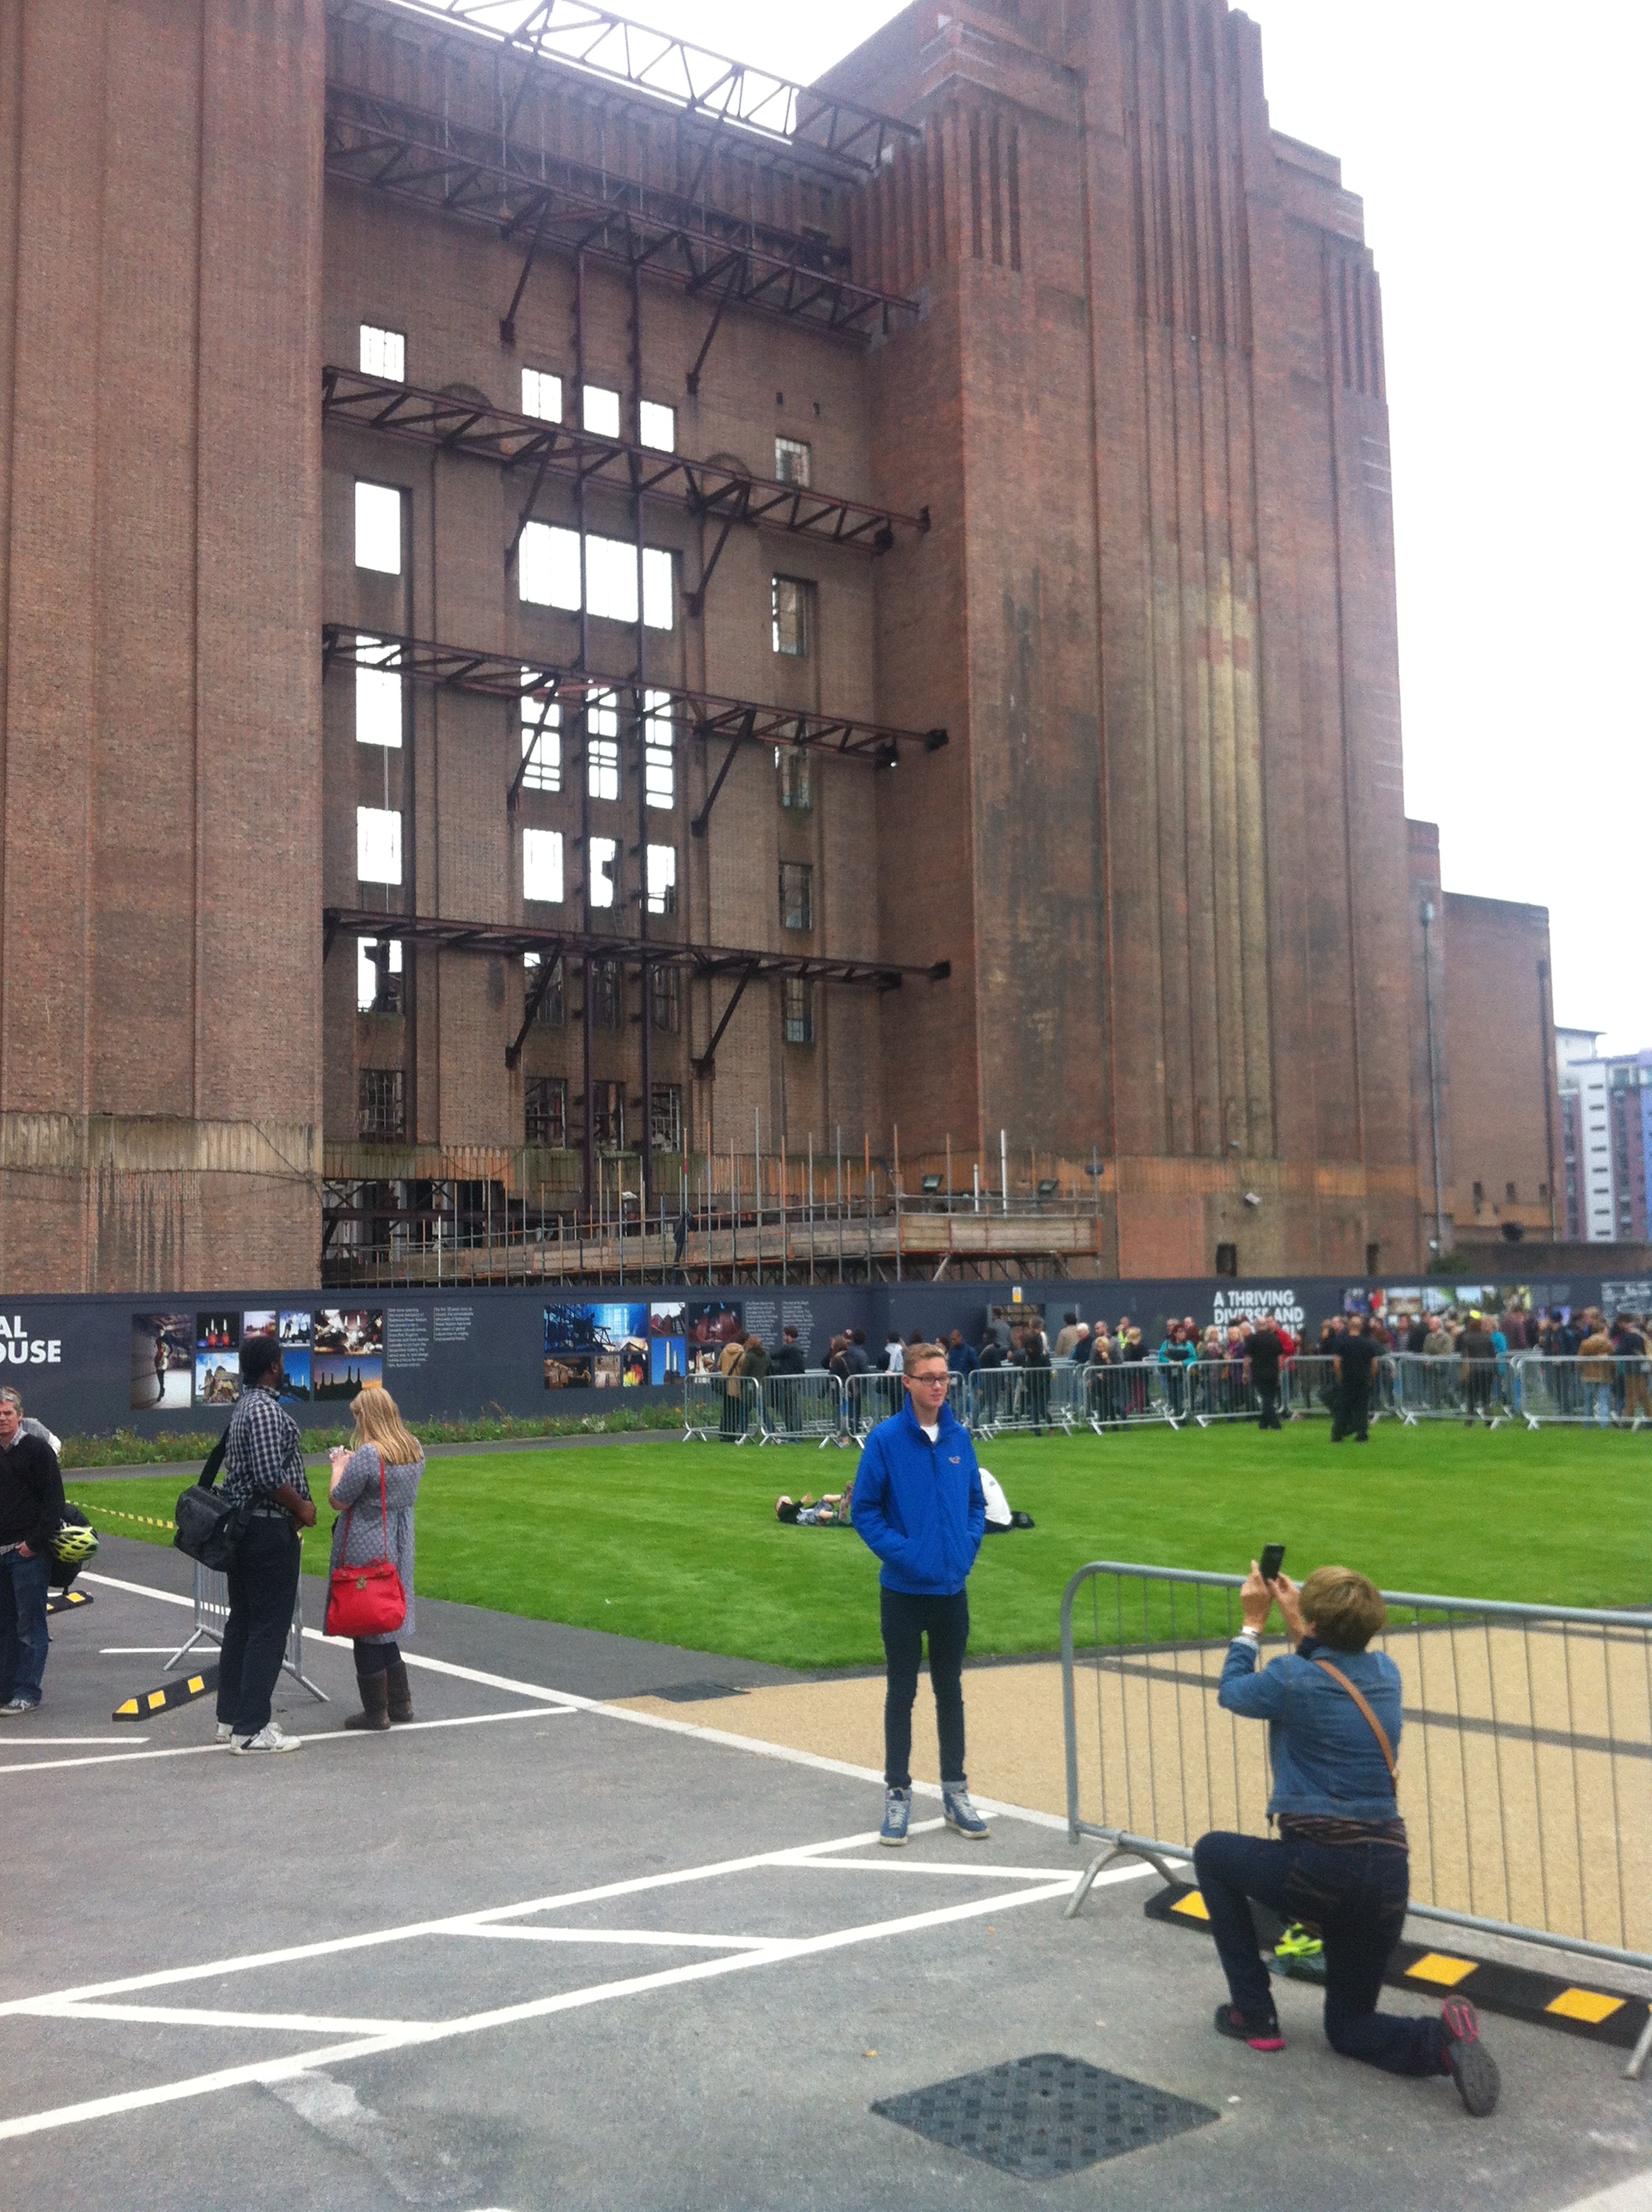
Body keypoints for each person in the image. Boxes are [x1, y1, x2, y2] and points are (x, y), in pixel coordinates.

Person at [1191, 1559, 1499, 2116]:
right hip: (1387, 1876)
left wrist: (1252, 1625)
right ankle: (1442, 2042)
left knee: (1212, 1854)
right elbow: (1329, 1673)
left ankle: (1254, 2014)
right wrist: (1303, 1627)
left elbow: (1234, 1693)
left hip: (1320, 1868)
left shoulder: (1290, 1678)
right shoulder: (1385, 1672)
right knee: (1351, 2027)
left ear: (1314, 1624)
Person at [850, 1341, 989, 1847]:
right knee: (901, 1693)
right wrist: (907, 1554)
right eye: (928, 1377)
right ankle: (897, 1792)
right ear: (906, 1382)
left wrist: (965, 1548)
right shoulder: (885, 1440)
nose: (938, 1385)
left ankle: (955, 1791)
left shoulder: (959, 1437)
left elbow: (976, 1503)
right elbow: (864, 1511)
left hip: (952, 1589)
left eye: (944, 1377)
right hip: (904, 1592)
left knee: (950, 1691)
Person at [215, 1336, 317, 1754]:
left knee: (242, 1622)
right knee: (268, 1628)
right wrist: (303, 1508)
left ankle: (231, 1718)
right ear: (274, 1366)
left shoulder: (245, 1406)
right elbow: (269, 1476)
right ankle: (250, 1729)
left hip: (246, 1529)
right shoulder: (264, 1410)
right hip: (266, 1528)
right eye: (282, 1361)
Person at [328, 1386, 424, 1731]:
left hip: (367, 1540)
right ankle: (401, 1703)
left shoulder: (370, 1454)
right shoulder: (413, 1448)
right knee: (385, 1620)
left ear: (366, 1416)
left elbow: (338, 1499)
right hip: (399, 1540)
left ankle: (375, 1712)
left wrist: (339, 1466)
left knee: (365, 1623)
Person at [0, 1387, 65, 1716]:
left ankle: (27, 1691)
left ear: (20, 1416)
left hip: (26, 1554)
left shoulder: (38, 1451)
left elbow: (54, 1503)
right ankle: (5, 1690)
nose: (2, 1419)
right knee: (4, 1624)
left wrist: (33, 1545)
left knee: (29, 1625)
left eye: (7, 1413)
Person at [1330, 1314, 1379, 1442]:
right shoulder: (1369, 1343)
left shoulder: (1342, 1343)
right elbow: (1374, 1364)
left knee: (1342, 1408)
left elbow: (1336, 1363)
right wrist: (1370, 1378)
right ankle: (1362, 1435)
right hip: (1362, 1380)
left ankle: (1337, 1435)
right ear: (1361, 1327)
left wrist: (1339, 1377)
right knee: (1362, 1409)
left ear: (1349, 1326)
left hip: (1347, 1380)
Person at [1243, 1313, 1285, 1431]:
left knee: (1266, 1400)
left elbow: (1247, 1359)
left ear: (1256, 1326)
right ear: (1266, 1325)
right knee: (1269, 1399)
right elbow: (1280, 1358)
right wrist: (1279, 1373)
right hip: (1273, 1372)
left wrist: (1245, 1373)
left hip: (1259, 1373)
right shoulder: (1274, 1338)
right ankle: (1263, 1424)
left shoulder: (1251, 1339)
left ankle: (1276, 1425)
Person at [1458, 1312, 1498, 1424]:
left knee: (1471, 1396)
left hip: (1473, 1370)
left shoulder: (1467, 1338)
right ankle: (1488, 1419)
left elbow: (1465, 1355)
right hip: (1488, 1370)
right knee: (1486, 1397)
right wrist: (1495, 1371)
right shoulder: (1488, 1337)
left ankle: (1470, 1419)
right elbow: (1493, 1355)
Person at [1579, 1317, 1616, 1429]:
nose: (1607, 1332)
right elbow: (1613, 1361)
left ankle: (1588, 1424)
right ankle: (1604, 1424)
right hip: (1604, 1375)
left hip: (1588, 1375)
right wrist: (1613, 1372)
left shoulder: (1585, 1343)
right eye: (1606, 1330)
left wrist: (1582, 1370)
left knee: (1588, 1401)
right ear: (1601, 1331)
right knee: (1603, 1400)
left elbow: (1580, 1361)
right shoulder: (1608, 1344)